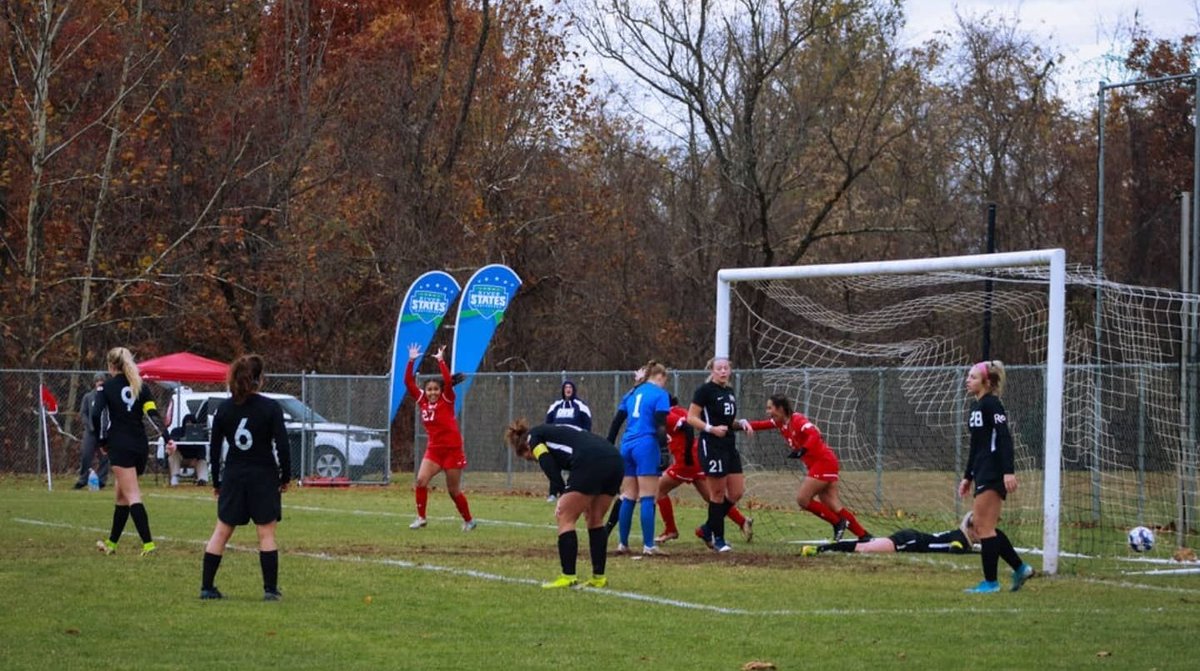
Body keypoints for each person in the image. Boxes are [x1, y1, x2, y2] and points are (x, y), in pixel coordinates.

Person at [199, 354, 292, 600]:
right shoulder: (270, 408)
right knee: (266, 533)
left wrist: (217, 481)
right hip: (263, 475)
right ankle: (270, 590)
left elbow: (215, 448)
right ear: (259, 380)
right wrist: (286, 475)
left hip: (234, 476)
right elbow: (282, 445)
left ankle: (207, 587)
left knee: (221, 531)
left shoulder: (224, 409)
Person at [505, 420, 623, 588]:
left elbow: (546, 460)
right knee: (595, 518)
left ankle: (568, 576)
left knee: (564, 515)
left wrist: (561, 492)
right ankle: (598, 577)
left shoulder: (533, 438)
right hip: (614, 459)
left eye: (530, 458)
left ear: (526, 447)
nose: (534, 460)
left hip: (590, 460)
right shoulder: (554, 431)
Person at [742, 394, 871, 542]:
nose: (767, 411)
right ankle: (863, 535)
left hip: (824, 462)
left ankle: (837, 523)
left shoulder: (797, 419)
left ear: (781, 409)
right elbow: (760, 424)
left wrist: (803, 449)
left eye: (770, 408)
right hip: (822, 464)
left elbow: (814, 434)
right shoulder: (780, 423)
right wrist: (742, 425)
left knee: (803, 499)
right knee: (834, 506)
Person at [958, 360, 1036, 593]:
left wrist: (1007, 471)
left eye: (972, 377)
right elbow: (976, 445)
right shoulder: (976, 408)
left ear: (987, 382)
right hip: (982, 471)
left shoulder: (993, 405)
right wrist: (967, 476)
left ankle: (991, 583)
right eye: (968, 376)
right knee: (984, 526)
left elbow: (1004, 438)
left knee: (983, 528)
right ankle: (1020, 569)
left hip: (993, 471)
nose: (967, 380)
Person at [93, 347, 172, 557]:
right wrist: (167, 438)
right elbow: (154, 415)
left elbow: (96, 414)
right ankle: (111, 544)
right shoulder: (140, 386)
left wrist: (102, 440)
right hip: (140, 446)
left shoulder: (106, 388)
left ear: (111, 366)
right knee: (121, 495)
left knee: (132, 495)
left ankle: (148, 544)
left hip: (120, 445)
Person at [654, 396, 753, 544]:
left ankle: (671, 530)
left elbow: (686, 428)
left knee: (658, 490)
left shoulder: (668, 415)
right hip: (697, 458)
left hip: (685, 462)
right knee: (712, 498)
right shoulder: (681, 410)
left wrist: (684, 455)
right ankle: (742, 521)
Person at [404, 343, 475, 531]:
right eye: (429, 389)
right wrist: (411, 360)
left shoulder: (447, 398)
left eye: (436, 389)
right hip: (434, 451)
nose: (433, 392)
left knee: (453, 491)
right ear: (425, 391)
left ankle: (469, 520)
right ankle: (421, 518)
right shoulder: (423, 402)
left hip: (452, 450)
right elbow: (408, 383)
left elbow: (447, 382)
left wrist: (441, 361)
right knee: (420, 481)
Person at [606, 360, 672, 555]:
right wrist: (664, 450)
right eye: (664, 381)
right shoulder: (660, 394)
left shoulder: (632, 393)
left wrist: (609, 444)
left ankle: (622, 543)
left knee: (628, 495)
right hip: (646, 444)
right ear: (660, 377)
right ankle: (649, 546)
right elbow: (660, 426)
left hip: (627, 445)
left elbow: (616, 422)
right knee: (647, 497)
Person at [686, 356, 749, 552]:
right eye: (719, 368)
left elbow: (728, 420)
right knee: (718, 493)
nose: (723, 371)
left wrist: (741, 424)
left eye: (726, 368)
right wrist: (711, 429)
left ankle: (707, 528)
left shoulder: (729, 392)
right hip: (712, 445)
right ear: (712, 371)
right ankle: (718, 539)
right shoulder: (704, 391)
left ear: (730, 371)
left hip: (729, 445)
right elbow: (691, 418)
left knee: (737, 491)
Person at [802, 512, 978, 555]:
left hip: (911, 538)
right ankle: (819, 550)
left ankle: (819, 549)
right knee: (863, 548)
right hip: (910, 540)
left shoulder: (960, 535)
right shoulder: (959, 537)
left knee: (865, 546)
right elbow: (955, 549)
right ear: (969, 529)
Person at [543, 379, 593, 501]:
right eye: (566, 387)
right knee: (554, 466)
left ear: (573, 390)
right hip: (556, 442)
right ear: (563, 390)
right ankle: (553, 493)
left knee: (574, 466)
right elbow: (548, 422)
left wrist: (584, 438)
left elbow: (587, 423)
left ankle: (570, 492)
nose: (568, 389)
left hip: (573, 442)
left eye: (570, 387)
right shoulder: (556, 405)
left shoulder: (580, 405)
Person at [73, 373, 110, 490]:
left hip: (104, 433)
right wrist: (88, 425)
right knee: (86, 455)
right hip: (91, 432)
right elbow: (83, 413)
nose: (100, 382)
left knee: (105, 457)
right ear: (94, 383)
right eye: (97, 380)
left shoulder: (109, 397)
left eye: (102, 380)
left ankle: (101, 480)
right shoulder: (88, 397)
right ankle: (83, 479)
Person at [167, 411, 209, 487]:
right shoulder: (176, 431)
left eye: (192, 423)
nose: (189, 425)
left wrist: (199, 457)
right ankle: (175, 477)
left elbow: (202, 451)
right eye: (187, 423)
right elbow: (171, 441)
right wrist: (182, 439)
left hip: (193, 460)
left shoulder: (199, 435)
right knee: (173, 454)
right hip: (180, 459)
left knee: (202, 461)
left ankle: (202, 480)